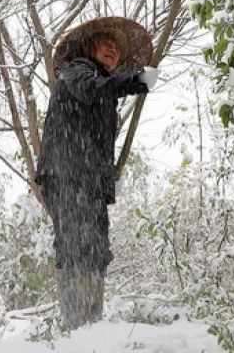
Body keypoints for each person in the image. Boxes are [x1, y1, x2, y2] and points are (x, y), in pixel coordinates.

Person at [35, 17, 159, 330]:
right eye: (105, 44)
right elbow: (91, 90)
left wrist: (107, 178)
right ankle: (77, 327)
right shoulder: (78, 70)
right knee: (77, 246)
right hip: (68, 172)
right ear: (90, 49)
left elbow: (99, 137)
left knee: (95, 249)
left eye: (116, 48)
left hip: (88, 179)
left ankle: (91, 325)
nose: (111, 50)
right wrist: (135, 82)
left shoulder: (104, 92)